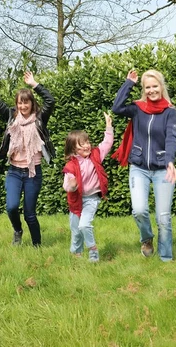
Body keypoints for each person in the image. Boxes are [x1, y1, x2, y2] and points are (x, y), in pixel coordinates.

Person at [0, 65, 55, 247]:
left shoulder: (40, 118)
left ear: (31, 103)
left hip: (33, 173)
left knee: (30, 213)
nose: (23, 106)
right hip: (15, 171)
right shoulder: (11, 117)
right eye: (20, 103)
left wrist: (34, 84)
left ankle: (37, 246)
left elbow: (51, 101)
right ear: (16, 104)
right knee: (12, 207)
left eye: (26, 103)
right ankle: (17, 230)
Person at [111, 69, 176, 262]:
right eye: (147, 87)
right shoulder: (138, 108)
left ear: (161, 86)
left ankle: (166, 258)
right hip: (138, 167)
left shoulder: (170, 112)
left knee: (163, 218)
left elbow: (171, 139)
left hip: (162, 169)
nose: (151, 90)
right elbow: (117, 108)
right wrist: (128, 84)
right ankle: (147, 239)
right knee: (139, 210)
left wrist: (170, 162)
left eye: (155, 86)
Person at [62, 112, 113, 263]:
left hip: (91, 199)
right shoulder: (71, 165)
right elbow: (68, 182)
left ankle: (92, 250)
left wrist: (109, 126)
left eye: (87, 142)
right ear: (73, 149)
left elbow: (107, 143)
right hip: (76, 200)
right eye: (82, 144)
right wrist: (71, 186)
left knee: (84, 225)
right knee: (76, 230)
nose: (87, 145)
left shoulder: (96, 155)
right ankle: (76, 255)